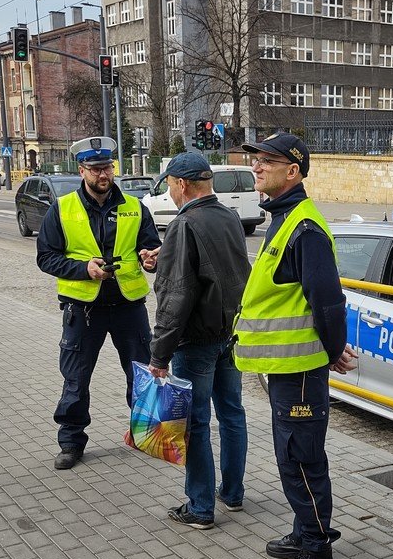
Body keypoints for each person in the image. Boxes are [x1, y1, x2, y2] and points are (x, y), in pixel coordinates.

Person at [234, 132, 358, 559]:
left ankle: (317, 558)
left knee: (301, 462)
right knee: (293, 458)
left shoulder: (303, 227)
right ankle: (304, 531)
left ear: (294, 171)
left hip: (302, 372)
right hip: (289, 368)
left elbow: (328, 302)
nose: (258, 167)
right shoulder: (284, 219)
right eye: (257, 160)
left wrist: (332, 350)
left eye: (268, 161)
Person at [36, 136, 160, 470]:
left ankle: (145, 434)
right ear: (82, 170)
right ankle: (71, 442)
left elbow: (151, 248)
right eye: (95, 169)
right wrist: (83, 269)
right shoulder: (62, 209)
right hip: (83, 310)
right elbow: (46, 258)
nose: (103, 174)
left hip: (128, 306)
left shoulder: (135, 207)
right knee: (76, 378)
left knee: (141, 374)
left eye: (107, 167)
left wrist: (151, 259)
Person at [147, 151, 251, 530]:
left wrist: (159, 354)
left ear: (182, 184)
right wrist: (165, 257)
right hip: (230, 334)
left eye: (171, 186)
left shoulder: (184, 224)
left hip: (197, 341)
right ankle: (233, 493)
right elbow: (222, 268)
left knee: (195, 424)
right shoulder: (228, 217)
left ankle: (200, 508)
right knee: (232, 414)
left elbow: (176, 297)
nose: (171, 193)